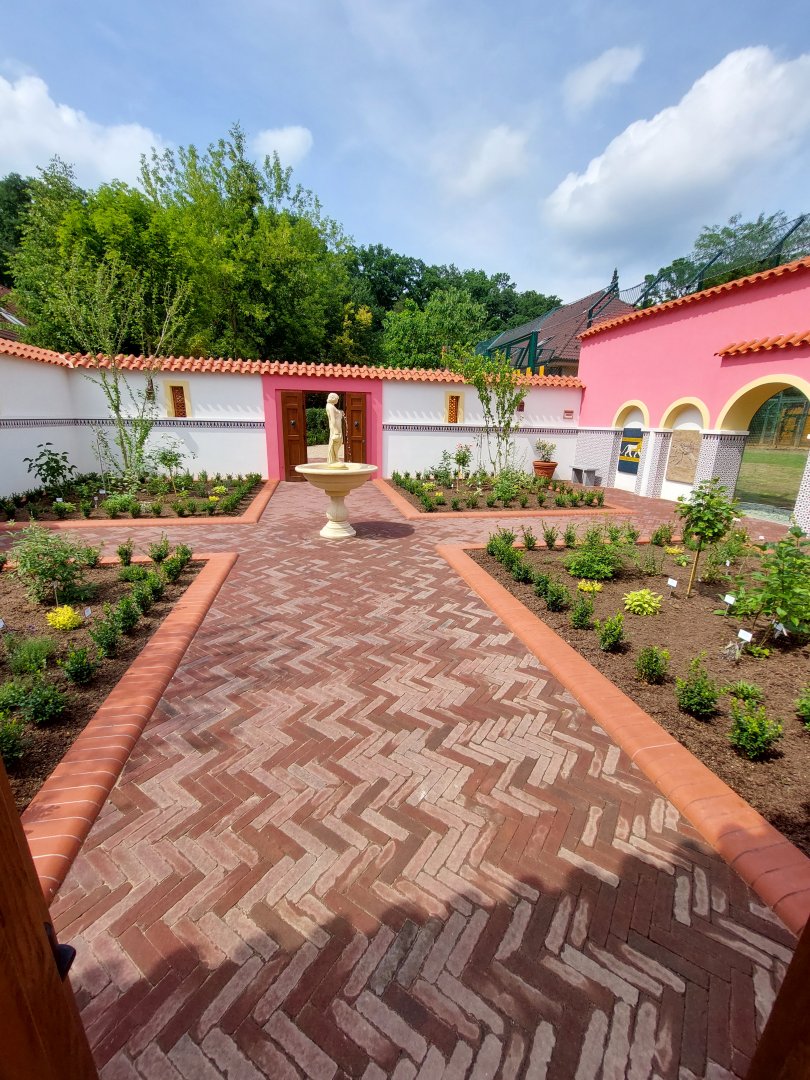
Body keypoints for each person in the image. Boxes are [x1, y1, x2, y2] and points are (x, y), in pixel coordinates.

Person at [326, 393, 344, 466]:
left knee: (339, 442)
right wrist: (336, 430)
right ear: (333, 398)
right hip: (335, 428)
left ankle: (335, 458)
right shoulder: (330, 407)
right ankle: (334, 459)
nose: (337, 400)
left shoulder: (332, 406)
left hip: (337, 428)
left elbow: (336, 415)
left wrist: (340, 412)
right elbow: (333, 419)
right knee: (336, 442)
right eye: (337, 399)